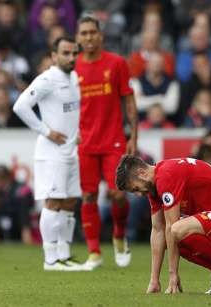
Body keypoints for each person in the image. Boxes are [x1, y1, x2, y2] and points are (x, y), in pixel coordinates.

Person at [115, 155, 211, 295]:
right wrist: (154, 280)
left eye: (135, 189)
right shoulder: (154, 186)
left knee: (177, 230)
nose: (139, 195)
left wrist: (172, 275)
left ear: (142, 173)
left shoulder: (166, 175)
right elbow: (158, 230)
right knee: (176, 239)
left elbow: (171, 227)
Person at [13, 36, 86, 271]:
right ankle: (50, 259)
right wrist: (45, 131)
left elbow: (73, 112)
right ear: (54, 56)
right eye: (66, 53)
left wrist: (78, 131)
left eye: (74, 53)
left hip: (71, 151)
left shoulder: (75, 77)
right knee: (53, 202)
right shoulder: (47, 79)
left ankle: (64, 255)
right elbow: (20, 106)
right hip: (51, 152)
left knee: (70, 201)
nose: (71, 57)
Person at [75, 15, 138, 269]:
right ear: (79, 38)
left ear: (100, 35)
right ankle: (94, 253)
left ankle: (119, 236)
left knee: (118, 194)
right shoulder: (73, 67)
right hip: (85, 143)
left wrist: (133, 135)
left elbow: (128, 99)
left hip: (113, 140)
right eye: (84, 33)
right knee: (88, 196)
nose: (89, 37)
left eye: (93, 32)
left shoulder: (116, 63)